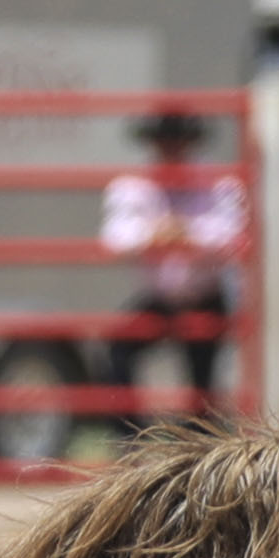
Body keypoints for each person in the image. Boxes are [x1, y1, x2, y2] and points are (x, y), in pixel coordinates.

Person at [99, 112, 248, 424]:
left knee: (201, 379)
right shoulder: (137, 186)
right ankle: (132, 438)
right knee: (117, 349)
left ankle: (202, 445)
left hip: (204, 296)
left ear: (190, 145)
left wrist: (185, 234)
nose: (171, 150)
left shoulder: (216, 183)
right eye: (164, 144)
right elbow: (115, 238)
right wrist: (155, 234)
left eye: (177, 143)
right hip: (162, 298)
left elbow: (234, 236)